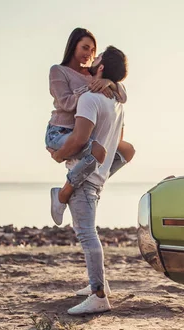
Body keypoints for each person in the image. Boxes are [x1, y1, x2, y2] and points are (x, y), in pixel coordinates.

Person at [49, 46, 129, 315]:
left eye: (97, 57)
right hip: (98, 176)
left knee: (86, 234)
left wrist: (59, 155)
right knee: (86, 229)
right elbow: (116, 143)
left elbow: (80, 139)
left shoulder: (90, 99)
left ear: (102, 67)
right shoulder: (117, 103)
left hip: (87, 178)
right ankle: (99, 283)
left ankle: (98, 294)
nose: (92, 59)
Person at [45, 28, 135, 225]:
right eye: (85, 47)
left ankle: (87, 179)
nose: (89, 53)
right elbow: (67, 103)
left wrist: (109, 83)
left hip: (83, 134)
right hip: (59, 133)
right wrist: (90, 87)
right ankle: (63, 194)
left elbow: (124, 96)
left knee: (127, 150)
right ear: (73, 46)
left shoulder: (92, 73)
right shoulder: (58, 71)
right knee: (96, 151)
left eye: (93, 50)